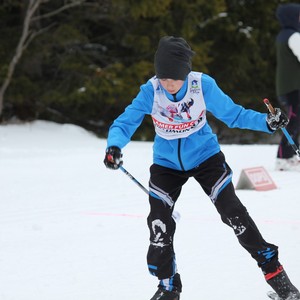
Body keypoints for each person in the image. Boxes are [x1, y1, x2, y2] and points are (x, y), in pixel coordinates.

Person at [104, 36, 299, 300]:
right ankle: (168, 287)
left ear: (185, 73)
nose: (168, 84)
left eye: (173, 78)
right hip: (166, 165)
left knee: (235, 215)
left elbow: (234, 114)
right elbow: (125, 123)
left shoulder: (202, 85)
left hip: (207, 158)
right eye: (163, 77)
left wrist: (267, 122)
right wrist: (114, 146)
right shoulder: (150, 91)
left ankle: (280, 281)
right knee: (159, 224)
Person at [275, 3, 300, 171]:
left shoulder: (283, 35)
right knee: (293, 121)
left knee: (294, 121)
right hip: (293, 86)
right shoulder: (294, 36)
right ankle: (283, 157)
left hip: (287, 85)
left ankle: (290, 156)